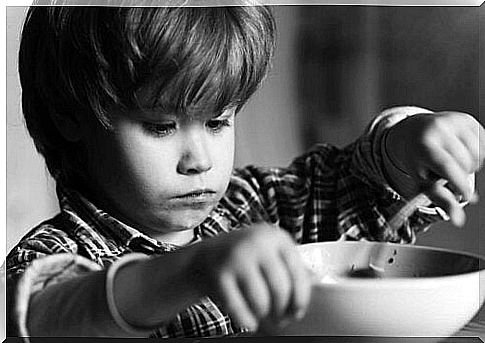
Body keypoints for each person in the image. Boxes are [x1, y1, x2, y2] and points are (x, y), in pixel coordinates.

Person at [6, 3, 484, 339]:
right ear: (73, 115)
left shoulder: (252, 206)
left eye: (217, 122)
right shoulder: (55, 255)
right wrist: (192, 269)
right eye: (159, 126)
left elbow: (349, 185)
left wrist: (408, 147)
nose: (200, 160)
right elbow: (43, 319)